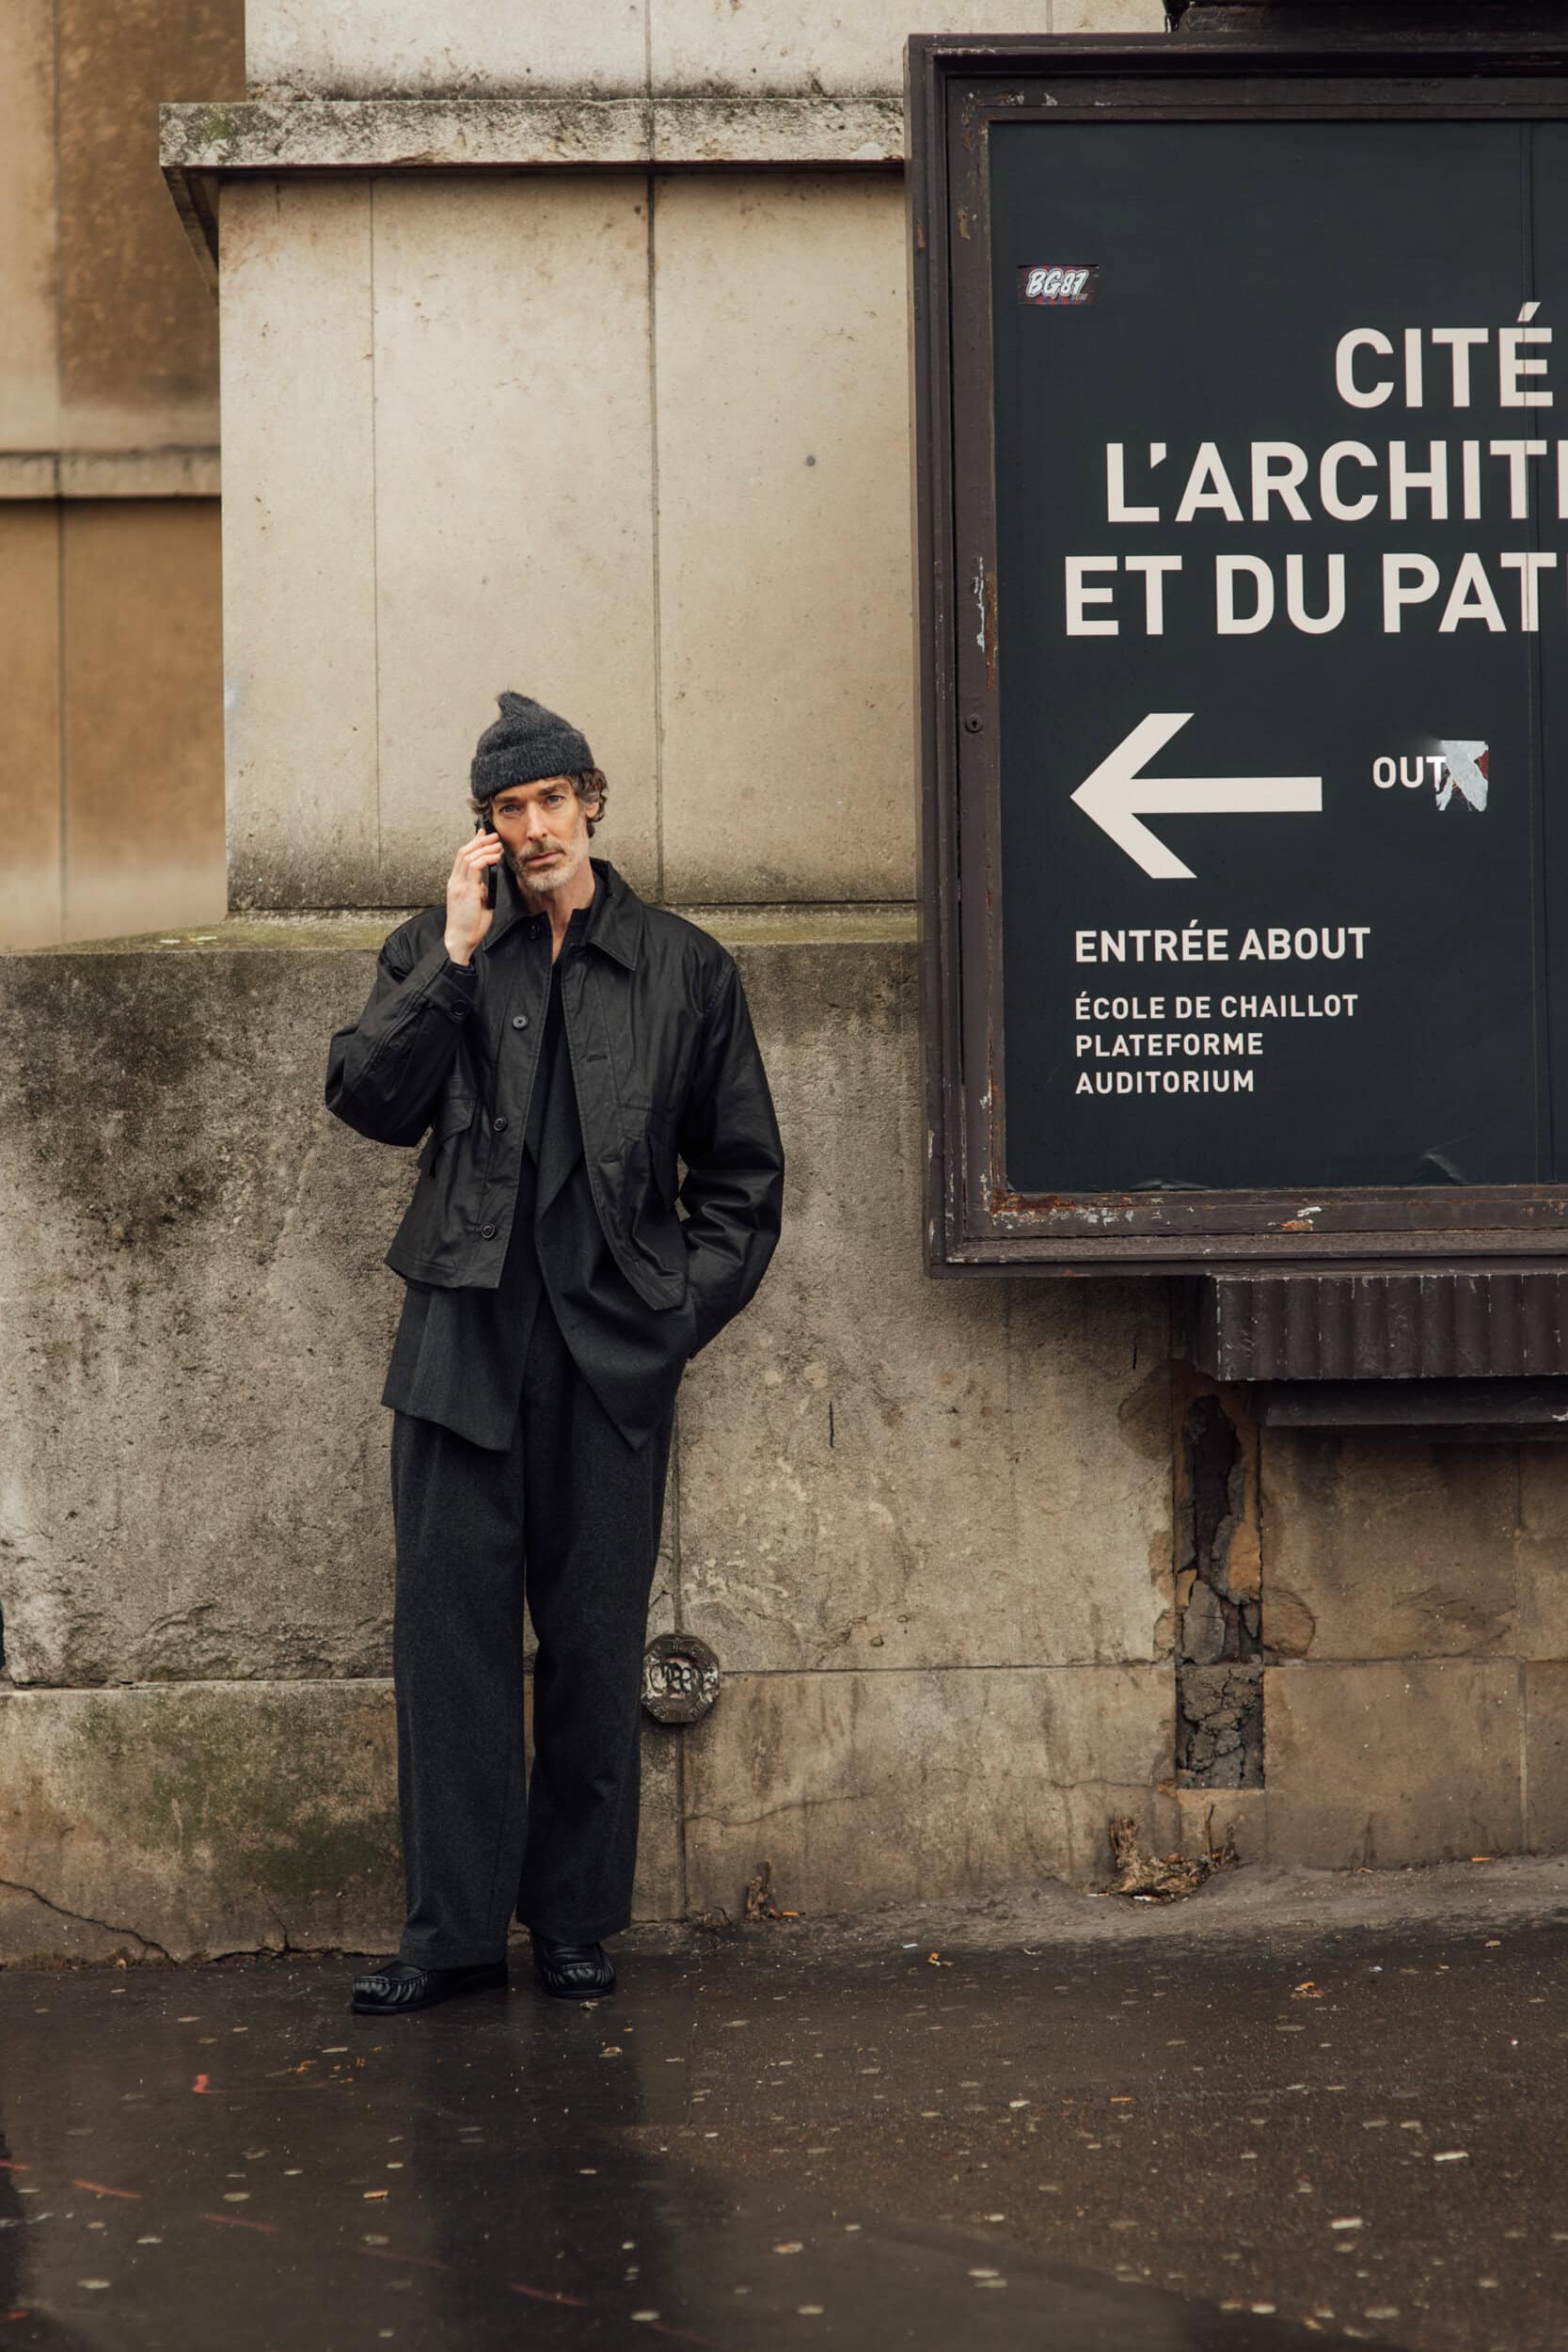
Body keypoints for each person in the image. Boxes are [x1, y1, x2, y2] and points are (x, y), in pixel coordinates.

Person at [325, 691, 785, 2014]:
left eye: (548, 802)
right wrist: (455, 959)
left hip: (609, 1360)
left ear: (591, 798)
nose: (532, 828)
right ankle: (452, 1938)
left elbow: (744, 1180)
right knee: (449, 1651)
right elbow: (367, 1097)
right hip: (463, 1351)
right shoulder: (439, 947)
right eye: (505, 812)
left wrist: (669, 1316)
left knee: (591, 1648)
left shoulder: (685, 968)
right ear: (485, 832)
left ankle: (576, 1920)